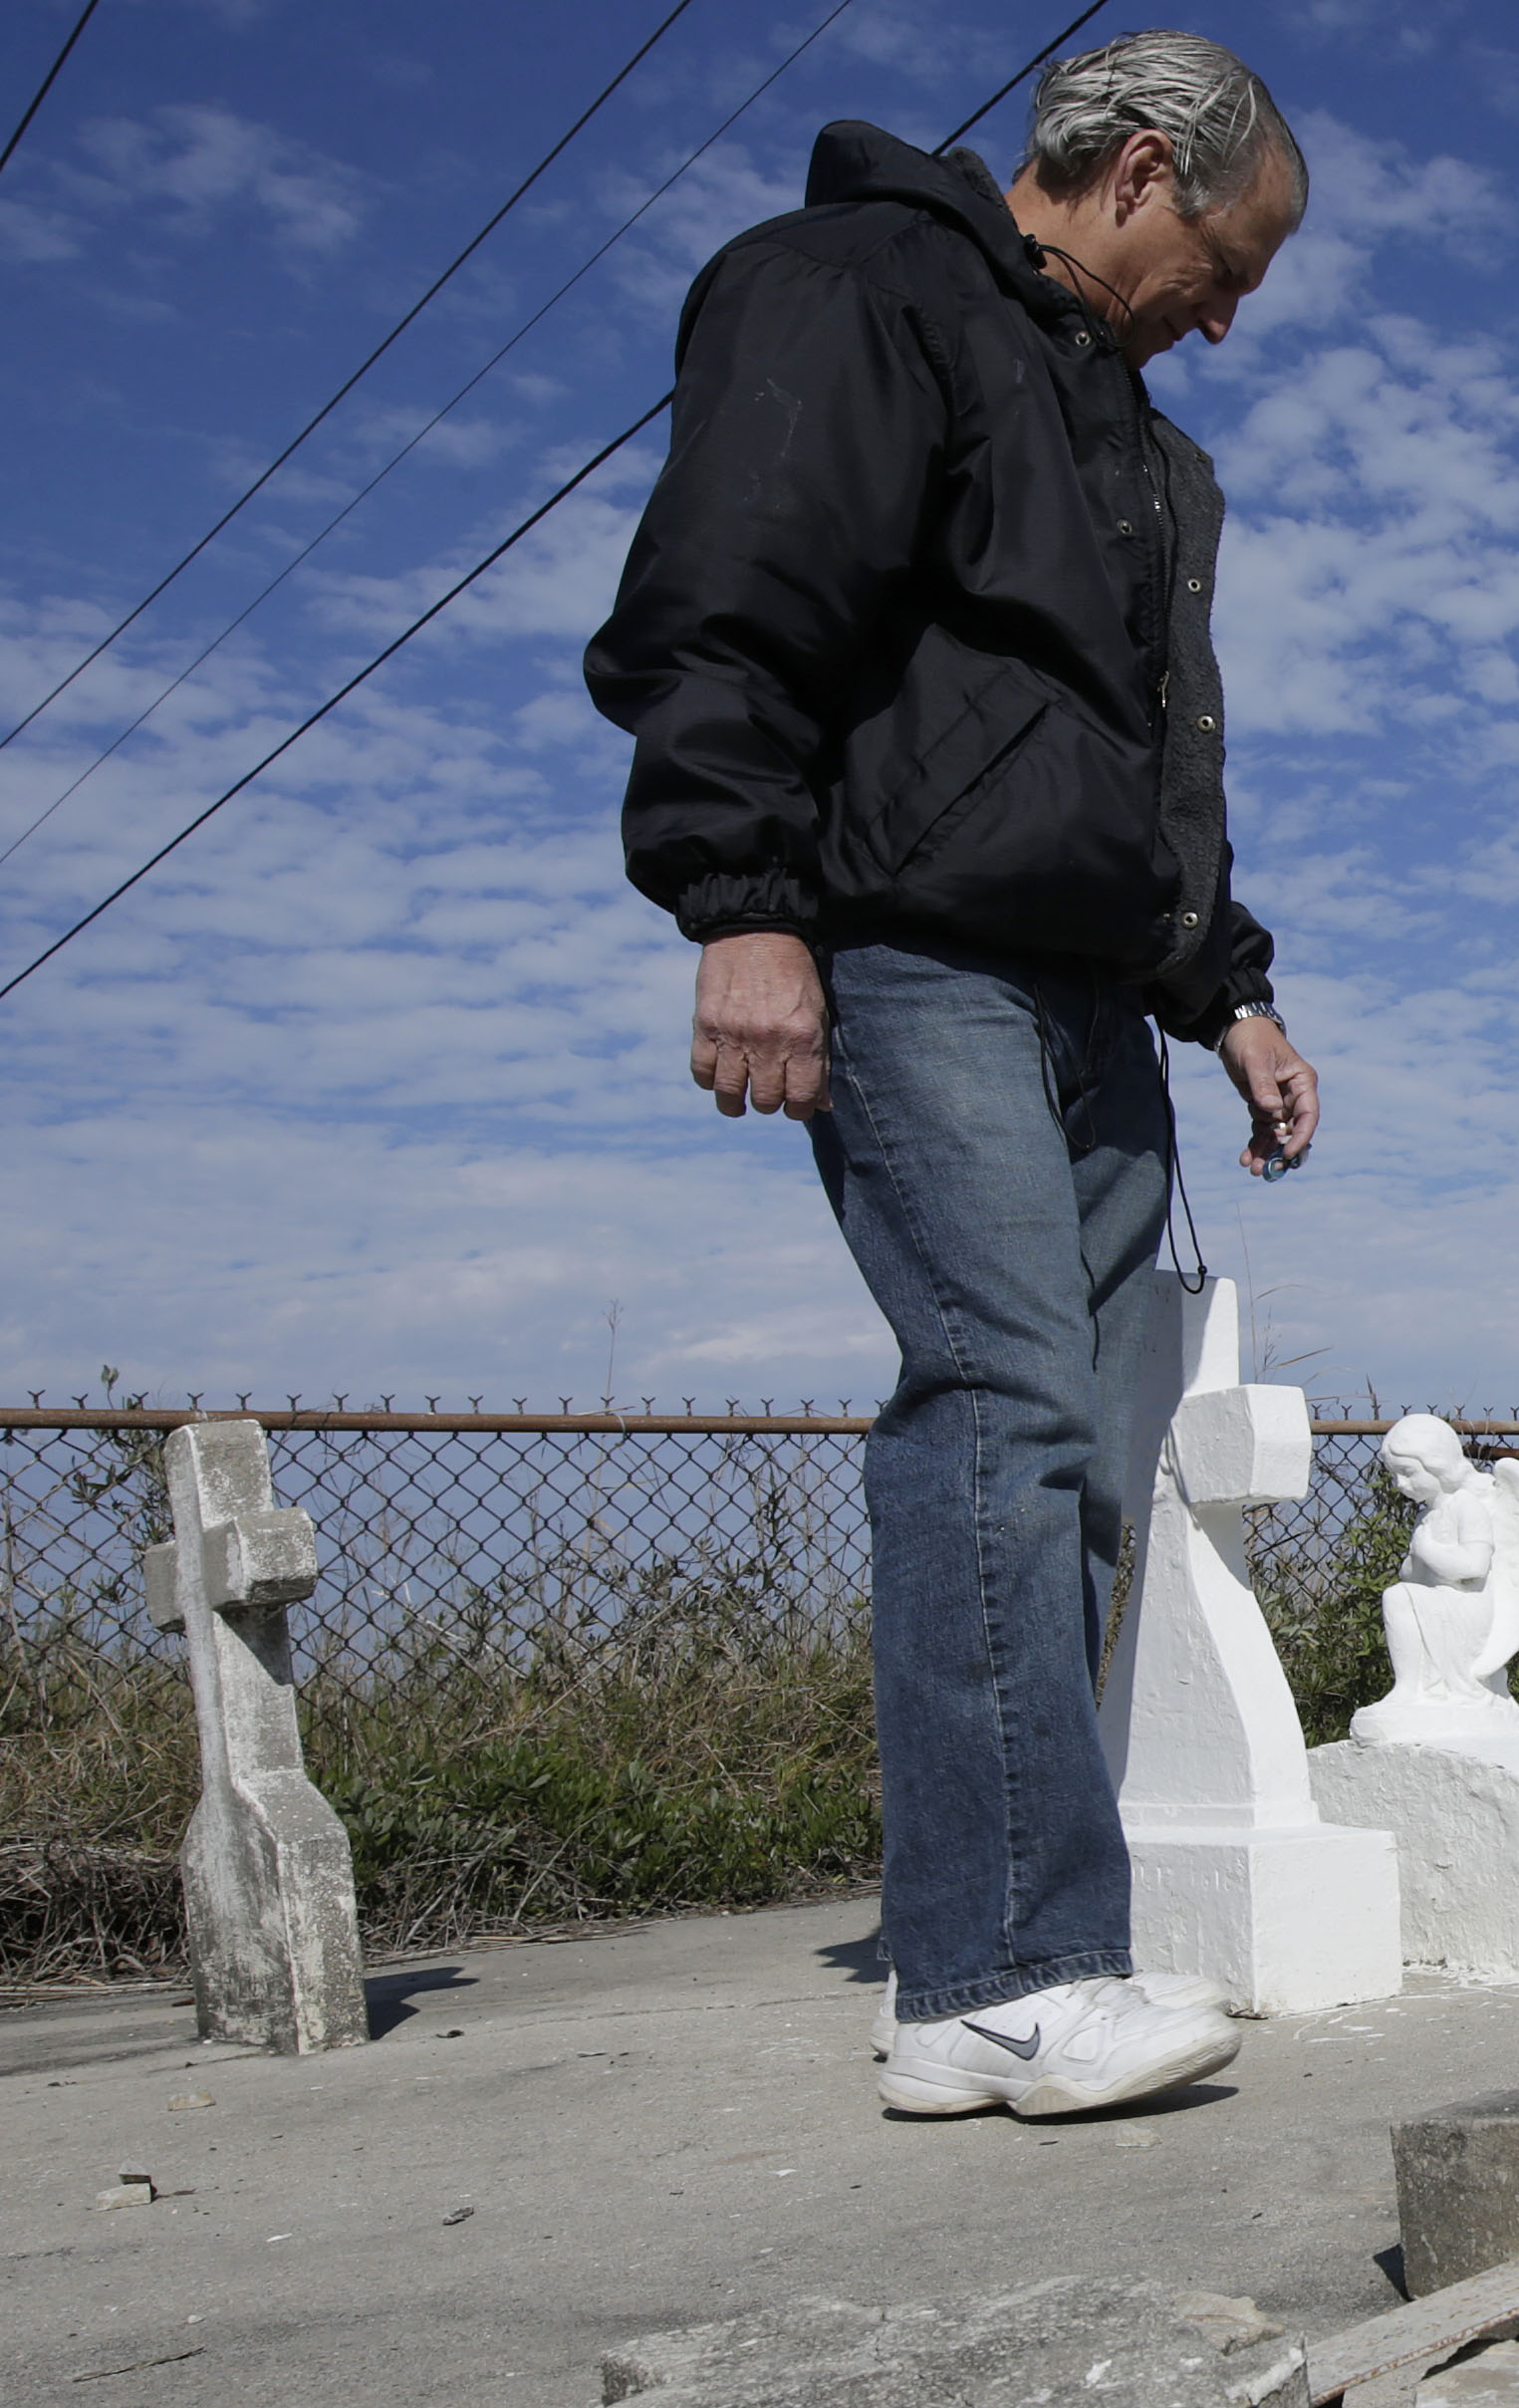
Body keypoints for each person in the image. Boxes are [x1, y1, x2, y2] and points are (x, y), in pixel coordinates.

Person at [584, 31, 1320, 2120]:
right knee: (991, 1404)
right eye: (1234, 259)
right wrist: (742, 903)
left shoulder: (1139, 450)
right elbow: (734, 594)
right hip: (908, 957)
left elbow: (1143, 765)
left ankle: (1008, 1946)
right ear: (1146, 167)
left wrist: (1228, 994)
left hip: (1095, 998)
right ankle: (993, 1977)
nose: (1233, 311)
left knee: (1087, 1448)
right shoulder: (858, 290)